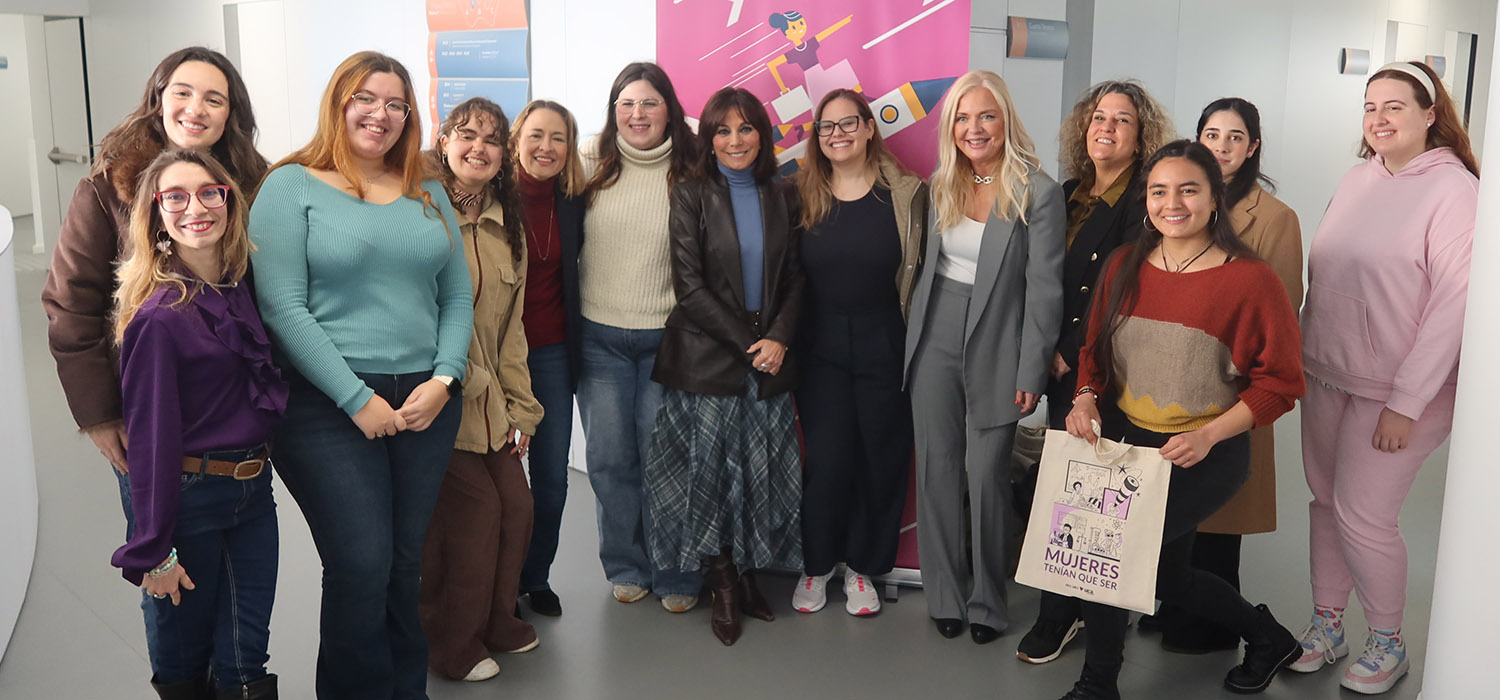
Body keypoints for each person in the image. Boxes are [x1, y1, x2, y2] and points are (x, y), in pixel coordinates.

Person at [248, 51, 472, 699]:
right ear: (338, 102)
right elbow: (281, 306)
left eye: (396, 103)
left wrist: (446, 378)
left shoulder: (427, 188)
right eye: (366, 98)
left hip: (426, 400)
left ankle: (406, 690)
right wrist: (355, 397)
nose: (381, 113)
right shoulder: (290, 185)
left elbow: (457, 295)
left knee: (404, 564)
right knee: (361, 564)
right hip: (326, 404)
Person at [1057, 140, 1304, 700]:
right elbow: (1094, 351)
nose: (1172, 204)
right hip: (1132, 447)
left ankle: (1097, 686)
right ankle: (1270, 638)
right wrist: (1085, 397)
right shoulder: (1124, 264)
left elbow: (1281, 384)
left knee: (1112, 550)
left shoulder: (1251, 281)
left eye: (1188, 190)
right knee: (1168, 575)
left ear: (1215, 198)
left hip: (1207, 452)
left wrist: (1210, 434)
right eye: (1159, 191)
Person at [1292, 61, 1478, 695]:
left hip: (1399, 391)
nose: (1379, 118)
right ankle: (1327, 624)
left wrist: (1408, 400)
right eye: (1370, 107)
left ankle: (1388, 642)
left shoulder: (1456, 192)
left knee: (1364, 515)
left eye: (1395, 106)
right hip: (1327, 372)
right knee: (1325, 503)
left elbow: (1455, 305)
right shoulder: (1357, 179)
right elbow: (1326, 278)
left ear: (1430, 114)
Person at [42, 45, 267, 528]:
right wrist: (99, 414)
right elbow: (70, 304)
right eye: (182, 93)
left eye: (214, 99)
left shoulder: (255, 185)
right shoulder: (106, 190)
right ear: (158, 100)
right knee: (164, 553)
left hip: (235, 416)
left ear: (231, 114)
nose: (195, 109)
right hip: (152, 415)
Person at [110, 148, 285, 699]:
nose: (196, 208)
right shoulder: (159, 318)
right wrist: (155, 548)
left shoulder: (241, 288)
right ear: (156, 215)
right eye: (176, 197)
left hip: (253, 494)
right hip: (191, 502)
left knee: (246, 656)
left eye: (210, 192)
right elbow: (149, 443)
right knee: (183, 656)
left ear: (229, 201)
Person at [903, 69, 1063, 645]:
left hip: (1000, 336)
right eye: (963, 118)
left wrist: (1031, 368)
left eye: (986, 116)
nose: (974, 128)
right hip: (935, 332)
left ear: (1006, 121)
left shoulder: (1039, 191)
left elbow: (1045, 289)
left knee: (988, 474)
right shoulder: (940, 183)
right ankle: (944, 594)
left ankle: (988, 601)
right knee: (938, 467)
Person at [644, 86, 805, 646]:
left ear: (762, 134)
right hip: (710, 359)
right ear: (708, 139)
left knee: (757, 477)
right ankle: (724, 585)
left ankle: (750, 574)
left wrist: (778, 337)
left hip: (769, 358)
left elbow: (797, 278)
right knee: (709, 478)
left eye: (746, 128)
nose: (735, 141)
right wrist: (751, 344)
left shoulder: (784, 193)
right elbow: (689, 287)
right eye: (722, 130)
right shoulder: (690, 194)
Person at [1145, 97, 1305, 654]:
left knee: (1217, 522)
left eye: (1235, 137)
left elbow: (1280, 312)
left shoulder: (1276, 218)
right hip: (1174, 386)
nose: (1222, 146)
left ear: (1253, 146)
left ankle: (1217, 627)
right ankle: (1176, 602)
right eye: (1212, 135)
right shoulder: (1178, 203)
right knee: (1175, 519)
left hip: (1230, 392)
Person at [416, 97, 543, 683]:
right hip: (438, 401)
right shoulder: (419, 211)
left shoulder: (505, 224)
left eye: (492, 140)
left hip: (493, 407)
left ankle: (495, 620)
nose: (479, 148)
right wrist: (459, 380)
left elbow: (511, 330)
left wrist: (522, 408)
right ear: (443, 141)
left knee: (516, 508)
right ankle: (450, 641)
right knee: (473, 516)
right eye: (466, 134)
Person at [789, 88, 928, 617]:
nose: (838, 134)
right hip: (819, 347)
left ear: (870, 128)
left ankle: (864, 569)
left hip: (885, 341)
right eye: (827, 126)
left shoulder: (908, 194)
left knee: (881, 458)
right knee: (827, 461)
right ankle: (817, 565)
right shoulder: (799, 194)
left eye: (849, 123)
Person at [577, 62, 703, 611]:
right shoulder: (589, 160)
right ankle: (627, 565)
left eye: (649, 102)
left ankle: (677, 572)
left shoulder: (694, 166)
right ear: (613, 111)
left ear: (669, 109)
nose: (637, 114)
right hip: (599, 339)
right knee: (609, 461)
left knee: (668, 462)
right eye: (626, 104)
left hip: (667, 341)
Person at [510, 99, 588, 617]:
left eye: (558, 138)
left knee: (552, 481)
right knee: (500, 484)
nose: (546, 147)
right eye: (536, 135)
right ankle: (497, 586)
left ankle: (535, 576)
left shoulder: (573, 202)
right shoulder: (492, 197)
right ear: (516, 139)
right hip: (498, 355)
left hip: (554, 354)